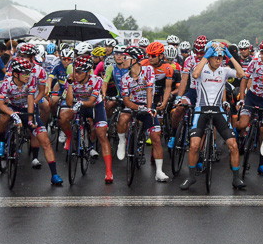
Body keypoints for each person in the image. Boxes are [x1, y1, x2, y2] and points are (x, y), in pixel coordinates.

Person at [179, 42, 246, 190]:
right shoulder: (201, 69)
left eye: (220, 58)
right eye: (215, 57)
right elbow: (195, 75)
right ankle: (191, 177)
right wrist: (206, 56)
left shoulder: (224, 70)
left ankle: (236, 178)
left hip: (217, 110)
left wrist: (230, 57)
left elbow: (241, 74)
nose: (218, 60)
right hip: (201, 109)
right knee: (194, 145)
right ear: (209, 57)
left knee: (233, 145)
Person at [0, 57, 64, 185]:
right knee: (3, 117)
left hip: (27, 109)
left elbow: (31, 100)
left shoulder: (31, 80)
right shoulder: (6, 83)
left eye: (29, 72)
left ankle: (54, 174)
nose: (28, 75)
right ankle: (2, 142)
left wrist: (31, 119)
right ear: (15, 74)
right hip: (12, 108)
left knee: (45, 141)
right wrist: (12, 114)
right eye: (25, 73)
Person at [117, 46, 170, 182]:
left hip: (147, 105)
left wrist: (147, 108)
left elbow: (149, 91)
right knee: (122, 119)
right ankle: (122, 142)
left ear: (134, 60)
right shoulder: (124, 79)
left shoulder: (148, 70)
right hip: (132, 105)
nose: (122, 60)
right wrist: (137, 107)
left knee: (156, 138)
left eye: (125, 58)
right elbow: (126, 100)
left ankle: (159, 171)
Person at [61, 55, 114, 183]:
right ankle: (69, 137)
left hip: (95, 106)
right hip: (78, 104)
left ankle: (108, 172)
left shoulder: (97, 80)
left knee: (102, 135)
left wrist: (81, 103)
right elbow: (69, 102)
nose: (76, 74)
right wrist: (69, 84)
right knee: (63, 117)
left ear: (88, 72)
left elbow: (91, 102)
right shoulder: (71, 79)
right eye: (75, 70)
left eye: (79, 72)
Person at [237, 38, 263, 175]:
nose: (262, 56)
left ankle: (261, 164)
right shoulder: (255, 62)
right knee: (242, 123)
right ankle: (237, 137)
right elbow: (245, 79)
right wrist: (242, 99)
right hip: (252, 97)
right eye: (262, 53)